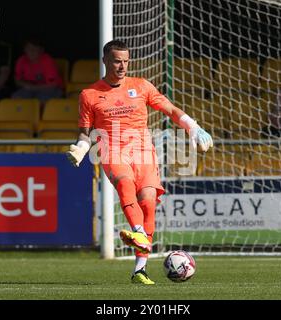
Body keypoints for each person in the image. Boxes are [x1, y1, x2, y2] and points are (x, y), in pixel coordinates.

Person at [66, 40, 213, 285]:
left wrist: (193, 127)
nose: (122, 66)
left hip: (143, 150)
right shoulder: (89, 94)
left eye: (126, 61)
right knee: (124, 184)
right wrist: (81, 148)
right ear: (105, 61)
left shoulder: (141, 86)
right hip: (110, 148)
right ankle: (139, 233)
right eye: (117, 61)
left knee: (147, 202)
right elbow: (84, 132)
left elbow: (170, 109)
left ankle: (140, 270)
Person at [12, 37, 64, 102]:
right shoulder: (21, 60)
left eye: (34, 49)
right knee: (16, 97)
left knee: (41, 100)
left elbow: (53, 85)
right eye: (28, 48)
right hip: (30, 89)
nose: (31, 51)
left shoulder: (47, 61)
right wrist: (26, 85)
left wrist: (32, 88)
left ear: (41, 50)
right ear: (24, 49)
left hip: (50, 89)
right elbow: (17, 80)